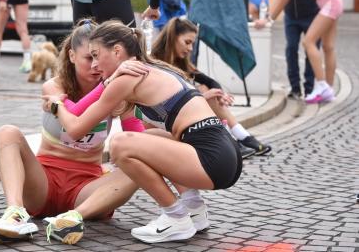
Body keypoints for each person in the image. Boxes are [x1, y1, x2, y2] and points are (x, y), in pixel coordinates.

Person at [43, 21, 242, 243]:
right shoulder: (154, 68)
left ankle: (176, 217)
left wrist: (56, 105)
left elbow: (76, 128)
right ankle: (194, 209)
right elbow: (140, 136)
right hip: (226, 154)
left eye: (97, 55)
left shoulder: (127, 78)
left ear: (117, 51)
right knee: (150, 138)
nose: (96, 65)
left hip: (211, 160)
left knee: (119, 144)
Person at [0, 20, 146, 245]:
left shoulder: (116, 88)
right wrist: (108, 85)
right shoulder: (54, 86)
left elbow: (138, 137)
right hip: (43, 182)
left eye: (98, 57)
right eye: (88, 58)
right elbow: (75, 122)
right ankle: (15, 213)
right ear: (71, 56)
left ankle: (73, 218)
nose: (95, 65)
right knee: (7, 132)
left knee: (141, 163)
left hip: (85, 188)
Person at [152, 17, 272, 158]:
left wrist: (219, 94)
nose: (190, 49)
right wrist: (202, 98)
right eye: (187, 42)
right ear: (173, 38)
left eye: (192, 44)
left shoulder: (181, 63)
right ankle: (239, 139)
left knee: (205, 88)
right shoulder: (156, 63)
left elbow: (210, 82)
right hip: (162, 118)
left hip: (181, 113)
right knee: (204, 92)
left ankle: (239, 139)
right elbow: (166, 102)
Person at [255, 0, 343, 104]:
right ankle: (328, 89)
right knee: (328, 47)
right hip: (330, 1)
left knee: (308, 42)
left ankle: (322, 85)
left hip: (329, 3)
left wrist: (268, 19)